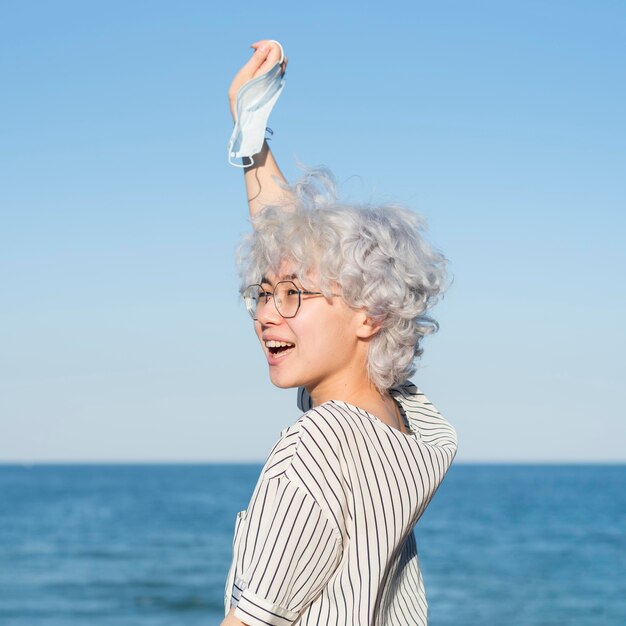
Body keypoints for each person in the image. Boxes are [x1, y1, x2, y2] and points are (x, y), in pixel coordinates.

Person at [221, 40, 457, 626]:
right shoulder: (401, 420)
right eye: (263, 293)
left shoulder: (315, 449)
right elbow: (290, 241)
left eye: (293, 295)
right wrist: (250, 132)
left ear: (368, 316)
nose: (267, 314)